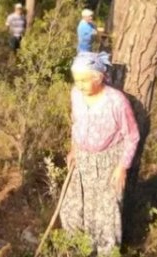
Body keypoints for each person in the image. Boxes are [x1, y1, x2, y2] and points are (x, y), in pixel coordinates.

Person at [60, 52, 140, 256]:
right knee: (71, 210)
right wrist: (73, 149)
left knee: (105, 216)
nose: (79, 85)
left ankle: (105, 253)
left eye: (84, 80)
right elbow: (76, 123)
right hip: (82, 160)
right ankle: (78, 250)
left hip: (108, 164)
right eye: (76, 80)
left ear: (99, 77)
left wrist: (122, 167)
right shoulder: (76, 94)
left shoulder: (116, 101)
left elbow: (132, 136)